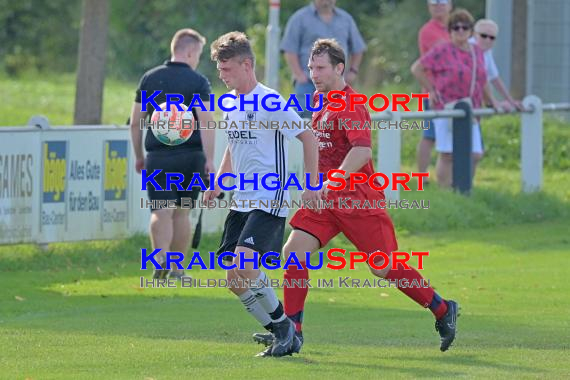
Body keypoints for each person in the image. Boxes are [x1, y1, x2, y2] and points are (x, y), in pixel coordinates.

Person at [253, 38, 459, 354]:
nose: (313, 73)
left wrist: (330, 182)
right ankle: (292, 330)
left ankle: (442, 308)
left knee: (382, 266)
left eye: (320, 68)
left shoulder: (350, 104)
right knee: (294, 251)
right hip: (325, 200)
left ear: (340, 68)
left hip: (357, 199)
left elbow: (361, 151)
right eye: (310, 67)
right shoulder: (320, 100)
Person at [204, 31, 320, 357]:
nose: (221, 75)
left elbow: (308, 138)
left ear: (247, 64)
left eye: (226, 69)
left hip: (270, 196)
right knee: (233, 278)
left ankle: (285, 327)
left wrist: (311, 185)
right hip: (241, 198)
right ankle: (278, 331)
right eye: (219, 69)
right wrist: (218, 183)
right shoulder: (229, 103)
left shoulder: (270, 100)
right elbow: (232, 148)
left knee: (245, 262)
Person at [129, 29, 216, 280]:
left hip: (159, 155)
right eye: (198, 54)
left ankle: (160, 259)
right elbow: (207, 122)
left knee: (160, 210)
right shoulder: (198, 82)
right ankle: (178, 269)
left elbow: (136, 123)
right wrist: (210, 160)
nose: (197, 59)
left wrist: (139, 156)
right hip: (191, 156)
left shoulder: (149, 79)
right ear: (189, 52)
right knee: (183, 210)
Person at [411, 9, 500, 187]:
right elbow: (417, 69)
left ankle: (463, 187)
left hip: (470, 108)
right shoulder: (442, 50)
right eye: (456, 27)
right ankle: (446, 192)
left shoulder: (477, 51)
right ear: (450, 30)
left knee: (475, 153)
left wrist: (492, 100)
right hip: (447, 107)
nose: (461, 31)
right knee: (448, 154)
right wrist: (431, 90)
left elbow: (484, 79)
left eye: (465, 27)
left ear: (470, 30)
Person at [280, 0, 366, 118]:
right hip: (309, 83)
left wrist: (353, 71)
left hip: (339, 83)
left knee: (342, 119)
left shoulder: (346, 19)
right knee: (304, 118)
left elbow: (358, 48)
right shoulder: (299, 18)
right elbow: (290, 49)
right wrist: (299, 74)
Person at [416, 0, 453, 179]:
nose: (439, 6)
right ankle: (422, 176)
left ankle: (446, 176)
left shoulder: (454, 28)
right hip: (433, 91)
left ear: (450, 5)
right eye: (434, 3)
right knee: (430, 135)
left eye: (443, 2)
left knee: (446, 135)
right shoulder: (428, 31)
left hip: (451, 93)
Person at [471, 19, 523, 112]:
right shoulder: (469, 48)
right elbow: (480, 79)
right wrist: (494, 102)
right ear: (475, 34)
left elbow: (495, 78)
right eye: (483, 36)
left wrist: (511, 101)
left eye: (492, 38)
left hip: (474, 103)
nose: (487, 40)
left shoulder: (486, 52)